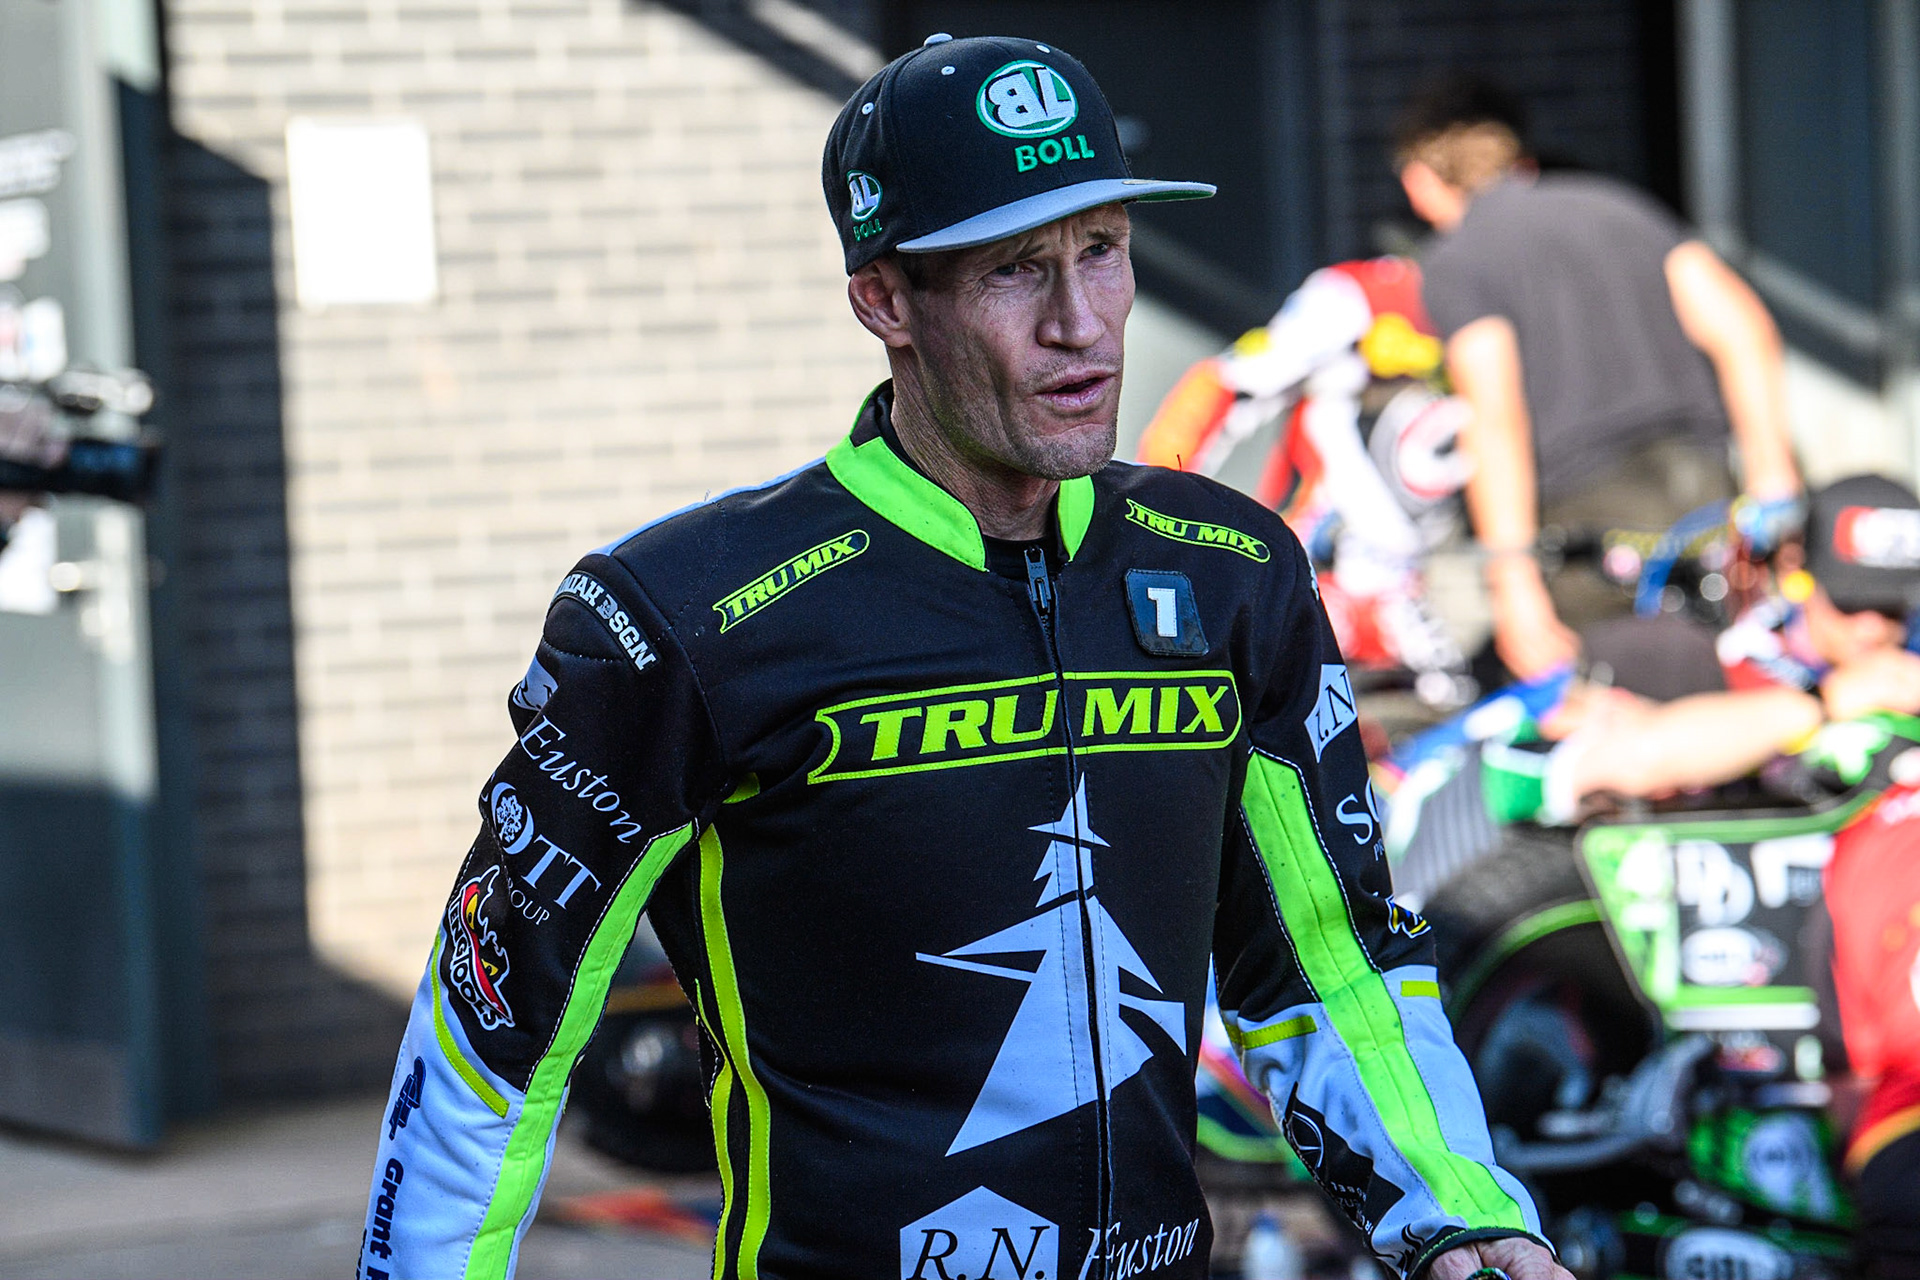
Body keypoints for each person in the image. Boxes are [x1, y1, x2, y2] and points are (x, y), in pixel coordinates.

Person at [359, 35, 1568, 1280]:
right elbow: (493, 1026)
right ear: (885, 297)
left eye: (1102, 250)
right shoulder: (686, 613)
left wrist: (1462, 1219)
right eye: (1014, 270)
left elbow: (1332, 958)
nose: (1080, 324)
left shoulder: (1229, 574)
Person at [1380, 475, 1920, 1275]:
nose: (1875, 629)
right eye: (1853, 606)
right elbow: (1592, 756)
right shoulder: (1711, 664)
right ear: (1798, 574)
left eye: (1894, 608)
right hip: (1808, 1026)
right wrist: (1826, 702)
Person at [1394, 77, 1803, 682]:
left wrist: (1512, 578)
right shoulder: (1622, 207)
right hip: (1703, 485)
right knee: (1729, 679)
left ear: (1421, 184)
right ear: (1520, 161)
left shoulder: (1459, 260)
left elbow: (1494, 413)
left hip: (1587, 523)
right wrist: (1775, 484)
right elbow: (1742, 324)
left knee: (1606, 715)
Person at [1136, 256, 1476, 707]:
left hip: (1441, 594)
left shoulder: (1521, 305)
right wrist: (1160, 525)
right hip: (1317, 585)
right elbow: (1223, 384)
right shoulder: (1355, 297)